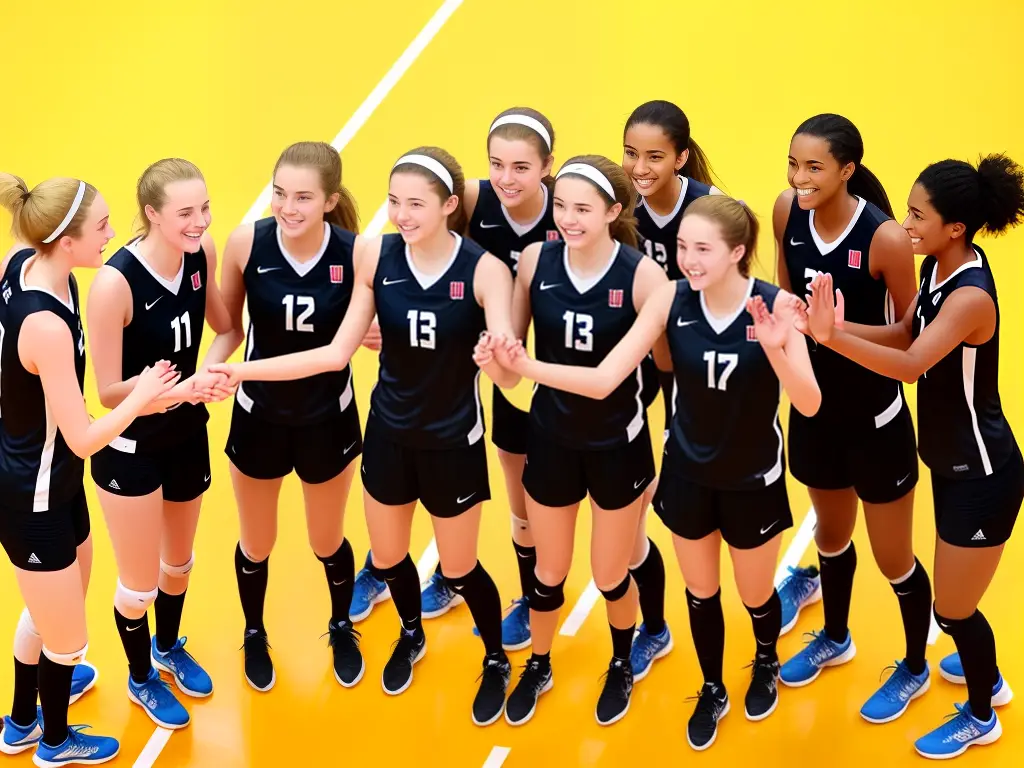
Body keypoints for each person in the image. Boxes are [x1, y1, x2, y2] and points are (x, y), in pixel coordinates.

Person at [493, 194, 819, 747]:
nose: (689, 260)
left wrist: (778, 351)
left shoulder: (777, 307)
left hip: (752, 480)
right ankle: (713, 687)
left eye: (703, 250)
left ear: (738, 252)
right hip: (689, 473)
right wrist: (520, 365)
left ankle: (765, 660)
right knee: (702, 591)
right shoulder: (670, 299)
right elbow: (604, 379)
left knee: (756, 592)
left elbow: (809, 404)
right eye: (684, 247)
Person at [211, 147, 517, 727]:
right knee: (391, 555)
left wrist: (496, 360)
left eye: (416, 204)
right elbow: (334, 350)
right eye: (394, 202)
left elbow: (505, 368)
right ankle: (409, 633)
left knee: (459, 568)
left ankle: (497, 658)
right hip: (387, 433)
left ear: (450, 206)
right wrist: (235, 370)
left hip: (452, 438)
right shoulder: (376, 253)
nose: (401, 214)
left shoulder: (484, 270)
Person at [802, 154, 1024, 759]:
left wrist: (834, 337)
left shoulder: (971, 297)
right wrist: (830, 327)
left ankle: (982, 715)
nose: (905, 225)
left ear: (955, 227)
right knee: (957, 603)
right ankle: (989, 678)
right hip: (951, 467)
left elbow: (909, 367)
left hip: (984, 474)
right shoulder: (941, 270)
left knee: (954, 609)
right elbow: (904, 334)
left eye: (917, 215)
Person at [351, 108, 559, 653]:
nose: (507, 178)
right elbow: (424, 235)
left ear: (548, 168)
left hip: (535, 363)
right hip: (460, 360)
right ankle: (422, 584)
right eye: (497, 165)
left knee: (531, 501)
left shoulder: (565, 214)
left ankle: (527, 607)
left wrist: (503, 358)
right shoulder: (467, 198)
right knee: (414, 532)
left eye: (521, 166)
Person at [479, 155, 665, 727]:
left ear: (614, 211)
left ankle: (621, 662)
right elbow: (511, 374)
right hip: (553, 439)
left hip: (617, 445)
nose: (567, 218)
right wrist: (498, 362)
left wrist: (525, 367)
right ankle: (540, 662)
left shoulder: (643, 277)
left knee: (611, 574)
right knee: (547, 571)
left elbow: (608, 379)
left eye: (583, 209)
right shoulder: (536, 260)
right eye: (561, 206)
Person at [0, 173, 178, 765]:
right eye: (100, 227)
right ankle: (54, 740)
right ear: (66, 242)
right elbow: (81, 438)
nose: (110, 233)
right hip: (35, 493)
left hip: (53, 482)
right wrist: (142, 392)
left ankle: (22, 720)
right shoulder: (46, 326)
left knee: (61, 601)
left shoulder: (22, 261)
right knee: (69, 640)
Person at [774, 114, 933, 725]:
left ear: (847, 169)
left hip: (876, 419)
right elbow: (789, 302)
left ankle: (915, 667)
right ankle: (836, 638)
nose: (799, 177)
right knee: (832, 539)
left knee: (895, 559)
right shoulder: (787, 211)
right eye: (794, 163)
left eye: (814, 166)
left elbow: (907, 334)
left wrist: (832, 334)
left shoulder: (886, 239)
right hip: (814, 413)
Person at [201, 142, 366, 692]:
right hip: (259, 418)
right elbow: (230, 328)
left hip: (328, 418)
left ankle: (341, 624)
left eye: (302, 197)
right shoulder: (247, 241)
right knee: (257, 543)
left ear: (329, 201)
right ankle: (254, 632)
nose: (287, 207)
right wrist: (210, 371)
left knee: (327, 540)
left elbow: (356, 342)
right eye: (279, 193)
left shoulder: (357, 252)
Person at [86, 159, 233, 729]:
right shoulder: (114, 284)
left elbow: (225, 329)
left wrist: (210, 377)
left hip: (185, 431)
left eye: (204, 208)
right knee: (139, 583)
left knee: (180, 563)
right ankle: (140, 674)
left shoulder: (201, 255)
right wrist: (183, 387)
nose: (199, 222)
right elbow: (106, 392)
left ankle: (168, 647)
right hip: (132, 446)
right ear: (151, 213)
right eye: (185, 213)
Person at [620, 99, 721, 680]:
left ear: (681, 158)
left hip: (689, 360)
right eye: (632, 153)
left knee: (690, 489)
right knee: (635, 495)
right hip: (641, 352)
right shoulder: (620, 202)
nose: (640, 166)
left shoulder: (709, 211)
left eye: (655, 156)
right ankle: (652, 625)